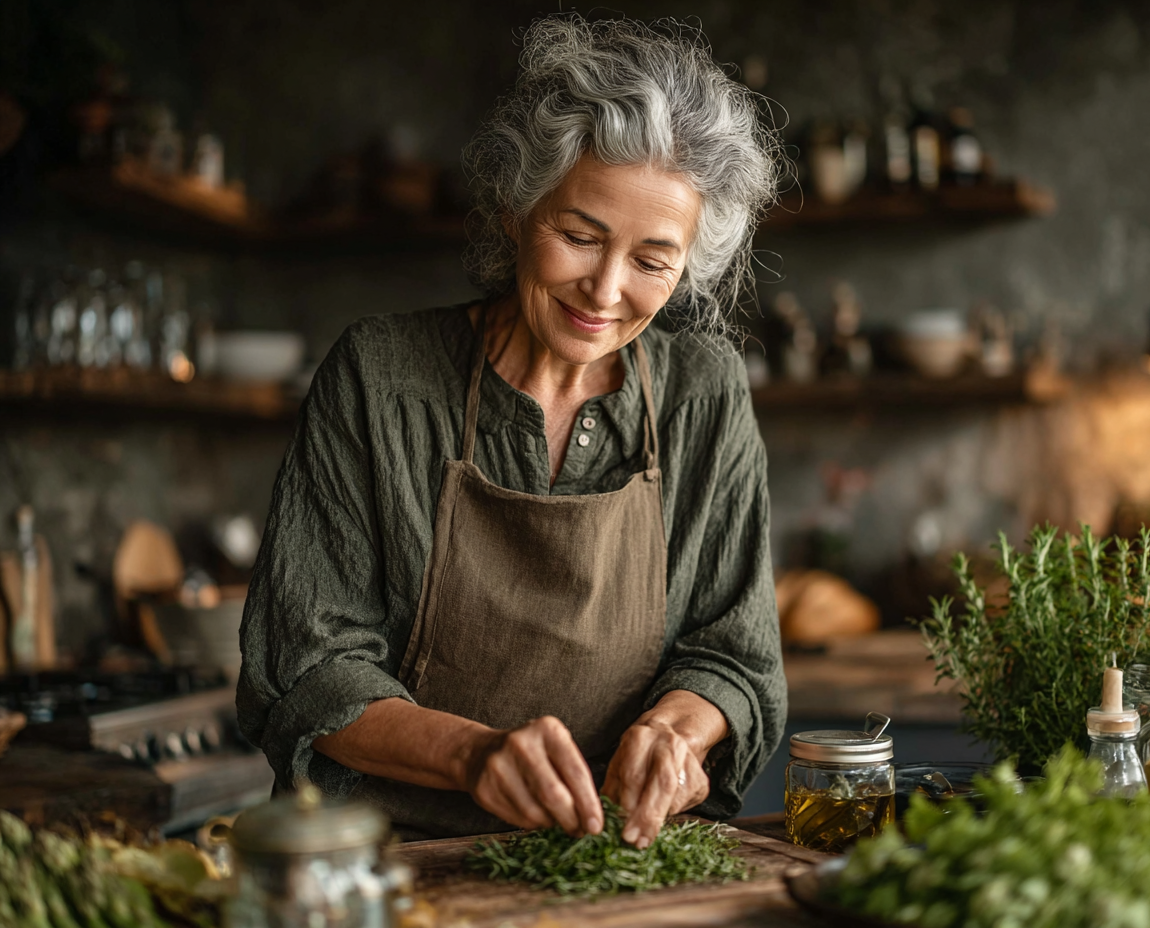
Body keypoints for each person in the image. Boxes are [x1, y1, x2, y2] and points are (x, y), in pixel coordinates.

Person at [238, 14, 787, 845]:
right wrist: (472, 757)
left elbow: (734, 656)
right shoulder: (380, 377)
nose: (604, 290)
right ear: (514, 209)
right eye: (579, 235)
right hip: (381, 864)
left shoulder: (704, 397)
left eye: (651, 261)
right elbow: (308, 667)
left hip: (609, 858)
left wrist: (677, 733)